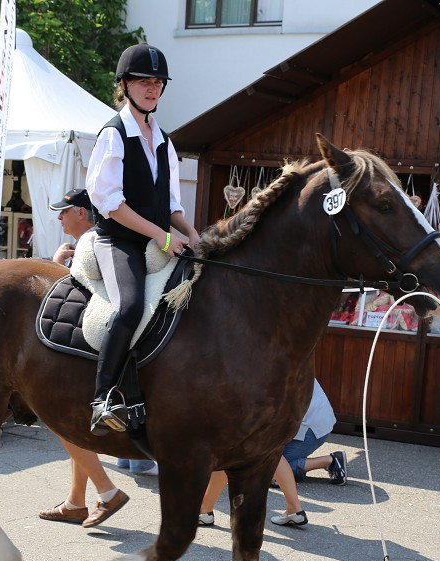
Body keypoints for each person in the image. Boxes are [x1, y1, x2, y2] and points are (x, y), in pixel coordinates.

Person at [85, 42, 202, 435]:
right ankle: (103, 398)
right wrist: (163, 238)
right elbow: (110, 205)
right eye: (142, 82)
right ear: (124, 85)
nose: (152, 89)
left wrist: (193, 235)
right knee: (131, 306)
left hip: (157, 238)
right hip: (118, 242)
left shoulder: (166, 141)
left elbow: (171, 206)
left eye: (157, 82)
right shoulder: (113, 135)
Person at [39, 188, 130, 527]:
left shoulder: (93, 243)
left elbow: (78, 293)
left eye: (63, 212)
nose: (59, 217)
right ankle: (75, 501)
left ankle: (106, 491)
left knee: (61, 421)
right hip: (94, 342)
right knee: (70, 424)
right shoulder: (95, 240)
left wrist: (54, 265)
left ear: (80, 212)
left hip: (87, 346)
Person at [198, 380, 348, 527]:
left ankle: (330, 461)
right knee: (254, 452)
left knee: (246, 455)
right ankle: (294, 510)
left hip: (310, 429)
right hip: (301, 419)